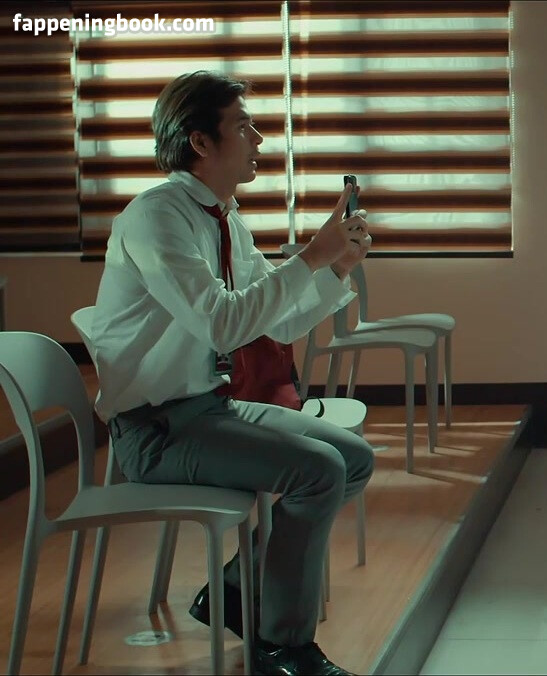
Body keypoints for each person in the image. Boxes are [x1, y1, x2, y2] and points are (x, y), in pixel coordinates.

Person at [90, 70, 375, 676]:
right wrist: (312, 255)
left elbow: (278, 323)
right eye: (244, 126)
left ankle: (235, 588)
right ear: (200, 141)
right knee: (319, 471)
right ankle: (283, 649)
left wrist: (335, 267)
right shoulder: (156, 218)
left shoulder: (223, 219)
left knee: (351, 458)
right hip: (155, 430)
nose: (259, 139)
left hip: (208, 408)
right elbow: (222, 326)